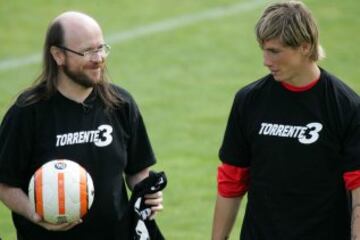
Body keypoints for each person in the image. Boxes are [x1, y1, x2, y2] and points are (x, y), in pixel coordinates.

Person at [0, 11, 163, 240]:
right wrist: (34, 214)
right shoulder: (27, 113)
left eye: (101, 48)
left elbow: (137, 171)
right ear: (58, 55)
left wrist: (147, 193)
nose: (98, 58)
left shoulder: (120, 104)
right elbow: (5, 183)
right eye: (87, 51)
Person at [212, 1, 360, 239]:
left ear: (304, 47)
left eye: (274, 51)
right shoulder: (249, 100)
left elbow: (358, 190)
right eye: (263, 49)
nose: (265, 61)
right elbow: (232, 179)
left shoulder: (346, 107)